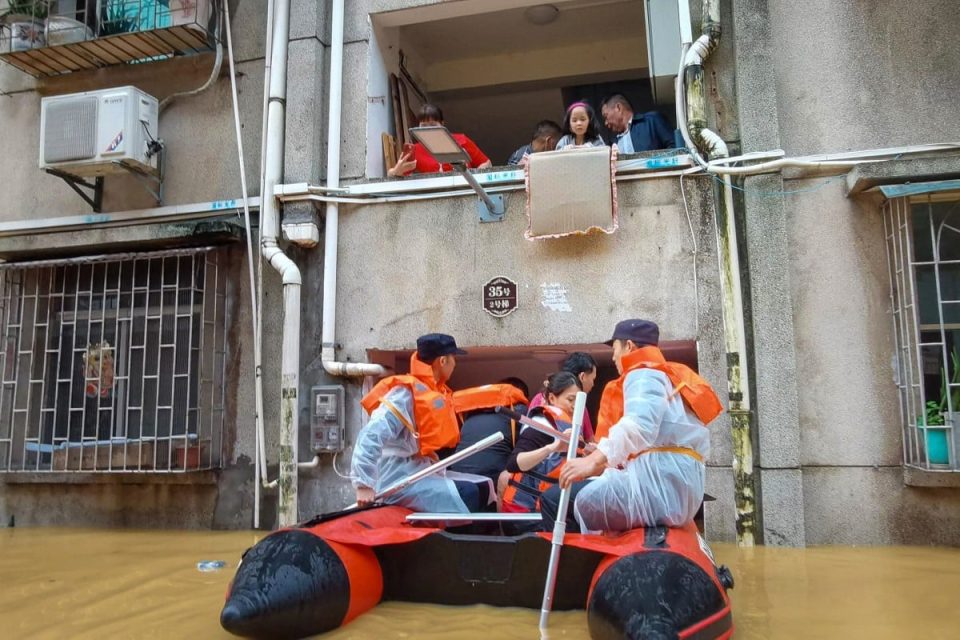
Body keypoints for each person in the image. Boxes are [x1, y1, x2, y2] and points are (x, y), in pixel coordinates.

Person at [540, 320, 723, 533]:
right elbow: (654, 435)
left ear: (629, 346)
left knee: (554, 499)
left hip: (656, 492)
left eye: (615, 349)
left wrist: (592, 461)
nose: (613, 356)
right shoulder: (668, 377)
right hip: (673, 490)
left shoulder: (643, 373)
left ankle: (576, 565)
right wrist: (601, 453)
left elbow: (639, 427)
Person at [352, 333, 494, 513]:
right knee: (469, 494)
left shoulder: (431, 390)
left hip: (415, 469)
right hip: (394, 478)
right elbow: (371, 434)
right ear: (443, 361)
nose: (455, 364)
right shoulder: (404, 395)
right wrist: (363, 484)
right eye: (453, 359)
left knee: (484, 487)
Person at [500, 371, 582, 514]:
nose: (575, 406)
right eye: (570, 399)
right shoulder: (541, 425)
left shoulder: (569, 426)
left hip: (551, 509)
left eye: (579, 401)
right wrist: (552, 447)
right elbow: (513, 463)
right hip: (525, 511)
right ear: (552, 398)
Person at [447, 378, 529, 484]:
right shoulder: (520, 411)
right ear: (521, 396)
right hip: (490, 477)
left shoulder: (472, 410)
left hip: (456, 473)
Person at [388, 104, 492, 177]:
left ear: (442, 124)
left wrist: (472, 179)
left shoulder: (461, 140)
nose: (428, 129)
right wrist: (396, 172)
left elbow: (486, 163)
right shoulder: (416, 149)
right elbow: (392, 173)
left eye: (433, 125)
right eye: (423, 126)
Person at [529, 352, 598, 441]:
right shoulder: (541, 401)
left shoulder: (538, 398)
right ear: (552, 398)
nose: (593, 384)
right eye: (570, 399)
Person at [600, 94, 675, 154]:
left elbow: (676, 148)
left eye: (606, 116)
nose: (605, 123)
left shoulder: (651, 121)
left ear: (618, 108)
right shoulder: (613, 143)